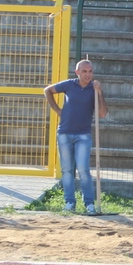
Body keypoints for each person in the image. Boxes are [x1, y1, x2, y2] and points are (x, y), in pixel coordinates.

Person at [44, 60, 107, 214]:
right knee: (67, 170)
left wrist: (99, 92)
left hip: (83, 135)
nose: (88, 74)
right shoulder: (69, 85)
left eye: (90, 71)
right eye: (84, 71)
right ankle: (69, 203)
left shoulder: (94, 88)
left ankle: (89, 204)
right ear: (77, 72)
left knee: (83, 170)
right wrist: (58, 110)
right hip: (64, 133)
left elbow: (102, 113)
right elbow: (47, 90)